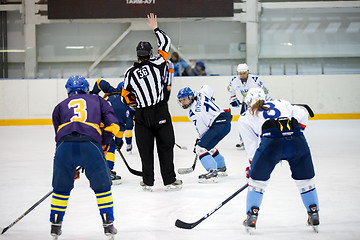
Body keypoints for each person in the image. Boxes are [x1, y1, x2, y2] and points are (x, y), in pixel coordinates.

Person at [238, 88, 320, 234]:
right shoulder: (281, 102)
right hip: (296, 141)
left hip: (271, 144)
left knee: (257, 183)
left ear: (248, 102)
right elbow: (303, 114)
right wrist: (294, 135)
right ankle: (313, 213)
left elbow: (251, 147)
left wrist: (253, 169)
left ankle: (252, 216)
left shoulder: (245, 116)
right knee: (306, 181)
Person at [50, 75, 120, 238]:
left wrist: (70, 167)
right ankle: (108, 225)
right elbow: (114, 126)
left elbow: (59, 137)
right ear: (87, 89)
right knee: (103, 188)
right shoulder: (98, 100)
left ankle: (55, 225)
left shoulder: (59, 106)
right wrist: (102, 144)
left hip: (64, 148)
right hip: (90, 145)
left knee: (60, 190)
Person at [121, 13, 182, 192]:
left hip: (142, 115)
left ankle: (148, 182)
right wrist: (155, 28)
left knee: (145, 150)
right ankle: (169, 181)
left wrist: (135, 104)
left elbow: (126, 95)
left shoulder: (130, 72)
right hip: (160, 111)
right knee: (166, 147)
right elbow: (166, 43)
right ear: (150, 53)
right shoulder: (158, 63)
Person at [177, 85, 232, 183]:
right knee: (208, 146)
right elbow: (208, 87)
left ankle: (212, 172)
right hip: (225, 121)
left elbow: (203, 131)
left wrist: (199, 141)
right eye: (180, 100)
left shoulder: (194, 113)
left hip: (218, 125)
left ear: (190, 97)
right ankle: (221, 167)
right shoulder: (200, 93)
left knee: (201, 148)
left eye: (184, 99)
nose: (182, 102)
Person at [90, 78, 135, 184]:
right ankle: (107, 171)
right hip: (103, 127)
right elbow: (120, 131)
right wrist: (119, 142)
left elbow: (99, 82)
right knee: (111, 145)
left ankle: (98, 169)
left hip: (93, 124)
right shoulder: (126, 107)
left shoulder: (110, 91)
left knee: (105, 145)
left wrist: (92, 94)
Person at [228, 63, 271, 150]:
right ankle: (242, 139)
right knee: (242, 120)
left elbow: (265, 91)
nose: (242, 75)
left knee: (259, 119)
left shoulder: (255, 80)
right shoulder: (234, 80)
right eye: (240, 73)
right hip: (246, 101)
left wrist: (267, 101)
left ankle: (263, 138)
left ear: (247, 72)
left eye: (244, 73)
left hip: (257, 102)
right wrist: (233, 99)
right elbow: (230, 89)